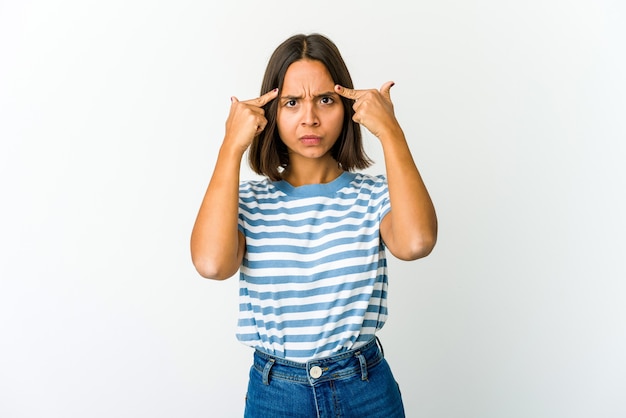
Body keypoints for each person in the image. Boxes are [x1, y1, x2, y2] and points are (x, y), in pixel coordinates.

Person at [190, 33, 437, 418]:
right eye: (291, 102)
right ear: (270, 112)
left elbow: (417, 243)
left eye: (325, 99)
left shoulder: (375, 196)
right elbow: (211, 265)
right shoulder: (248, 203)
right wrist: (230, 147)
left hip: (365, 390)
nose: (310, 118)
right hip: (276, 395)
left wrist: (391, 131)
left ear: (348, 106)